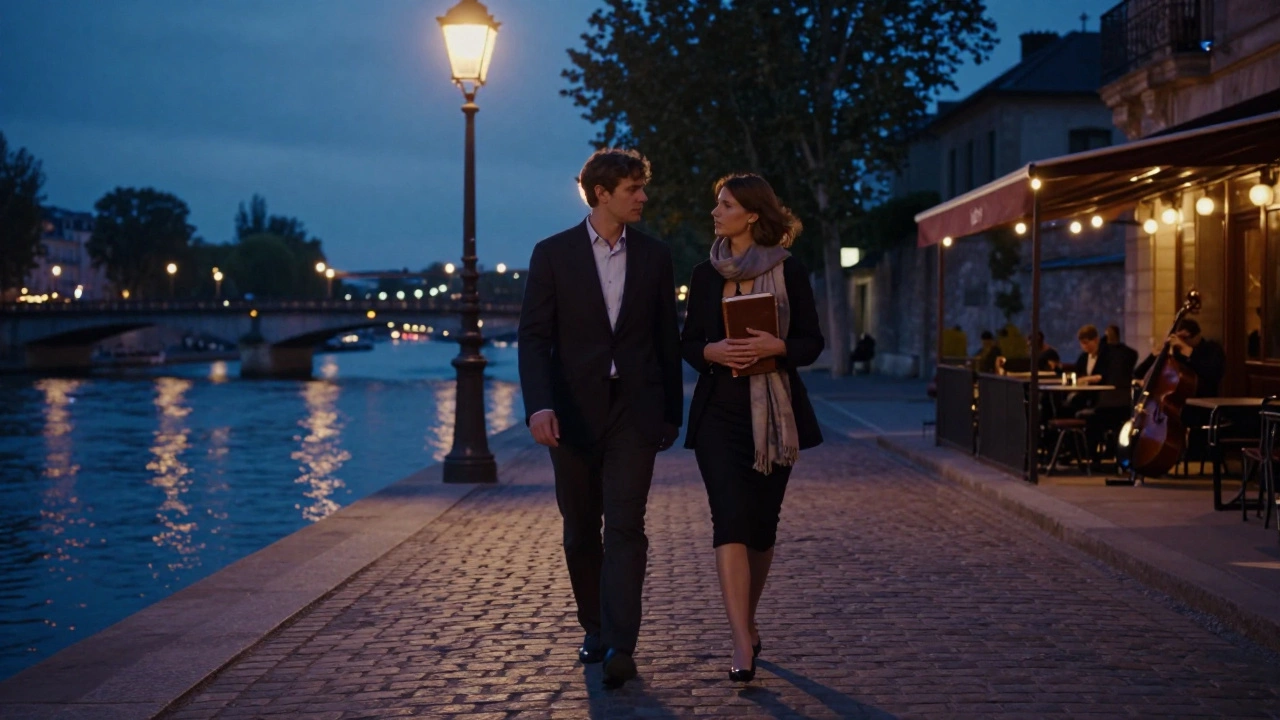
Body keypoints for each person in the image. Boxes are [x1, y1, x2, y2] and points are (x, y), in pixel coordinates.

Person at [517, 148, 683, 688]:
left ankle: (620, 643)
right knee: (581, 530)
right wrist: (539, 405)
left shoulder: (656, 256)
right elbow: (533, 338)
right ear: (601, 194)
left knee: (627, 527)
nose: (643, 197)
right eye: (633, 189)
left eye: (642, 187)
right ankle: (594, 625)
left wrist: (670, 413)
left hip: (634, 410)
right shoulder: (552, 254)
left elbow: (665, 337)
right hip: (571, 413)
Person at [680, 173, 824, 683]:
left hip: (774, 416)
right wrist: (710, 351)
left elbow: (812, 342)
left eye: (725, 205)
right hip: (718, 414)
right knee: (730, 521)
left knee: (762, 529)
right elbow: (687, 342)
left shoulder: (790, 270)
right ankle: (741, 638)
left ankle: (748, 619)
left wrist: (777, 346)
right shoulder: (704, 274)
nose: (716, 212)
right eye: (717, 204)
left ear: (752, 215)